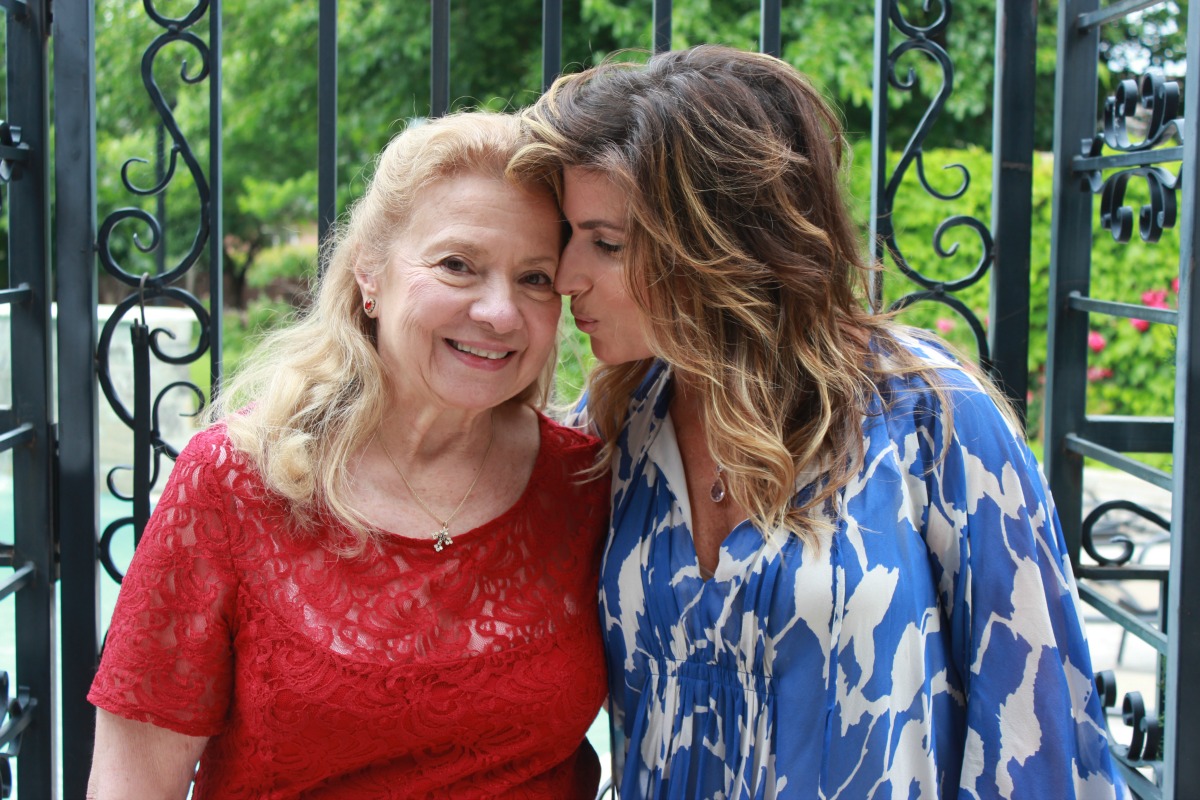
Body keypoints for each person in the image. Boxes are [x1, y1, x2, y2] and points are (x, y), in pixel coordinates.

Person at [518, 45, 1130, 799]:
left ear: (720, 242)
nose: (567, 275)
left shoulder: (929, 413)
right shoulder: (616, 426)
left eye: (606, 244)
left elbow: (1036, 723)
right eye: (570, 236)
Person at [87, 112, 609, 799]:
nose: (500, 312)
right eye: (457, 265)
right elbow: (131, 785)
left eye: (535, 278)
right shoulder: (234, 482)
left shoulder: (586, 481)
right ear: (370, 272)